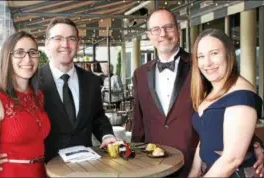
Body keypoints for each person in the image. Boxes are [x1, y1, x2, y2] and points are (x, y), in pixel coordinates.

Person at [131, 9, 264, 177]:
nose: (163, 34)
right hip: (153, 163)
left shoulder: (202, 66)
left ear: (178, 29)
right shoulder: (140, 74)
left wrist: (253, 144)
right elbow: (139, 122)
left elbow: (233, 105)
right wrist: (133, 158)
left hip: (195, 162)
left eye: (168, 27)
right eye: (156, 29)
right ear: (149, 35)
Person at [39, 17, 116, 162]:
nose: (65, 44)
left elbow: (98, 116)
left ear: (78, 44)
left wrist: (107, 136)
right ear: (47, 44)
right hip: (47, 167)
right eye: (58, 38)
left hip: (86, 166)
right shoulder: (34, 82)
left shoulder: (91, 80)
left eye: (71, 39)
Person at [188, 29, 263, 177]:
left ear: (228, 54)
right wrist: (193, 172)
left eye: (214, 53)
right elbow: (204, 138)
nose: (207, 62)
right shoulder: (211, 90)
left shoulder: (241, 95)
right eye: (201, 56)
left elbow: (232, 160)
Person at [0, 31, 50, 177]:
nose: (28, 59)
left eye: (32, 52)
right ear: (8, 57)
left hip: (41, 173)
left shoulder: (38, 96)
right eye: (19, 52)